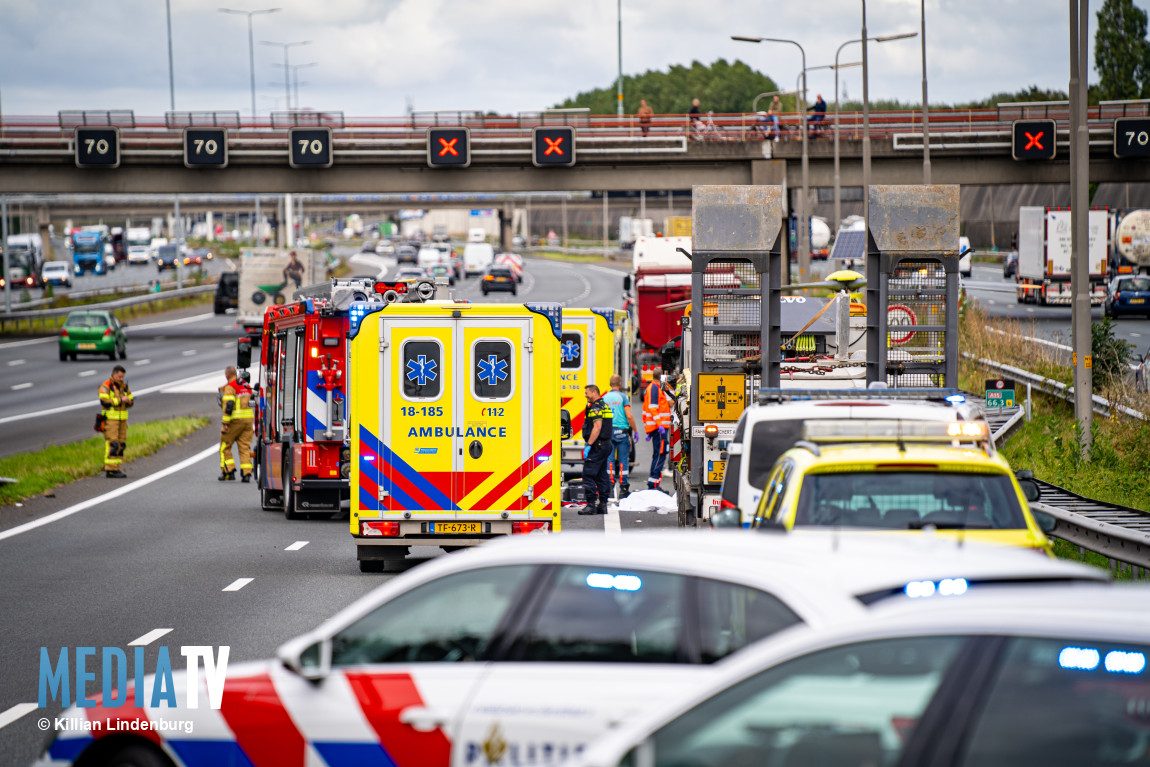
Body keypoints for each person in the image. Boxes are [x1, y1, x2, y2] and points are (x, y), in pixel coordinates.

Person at [577, 384, 614, 516]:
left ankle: (591, 505)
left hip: (597, 446)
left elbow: (597, 427)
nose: (586, 395)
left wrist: (589, 445)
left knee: (588, 475)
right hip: (606, 445)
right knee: (601, 475)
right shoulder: (604, 405)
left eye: (587, 393)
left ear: (594, 392)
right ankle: (603, 505)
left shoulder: (596, 407)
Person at [601, 375, 639, 500]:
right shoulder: (623, 397)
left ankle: (610, 488)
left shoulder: (604, 398)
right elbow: (629, 416)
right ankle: (623, 489)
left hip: (609, 432)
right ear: (620, 383)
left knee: (609, 460)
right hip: (622, 432)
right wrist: (636, 430)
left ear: (610, 384)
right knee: (623, 460)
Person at [218, 366, 256, 482]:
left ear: (227, 376)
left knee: (225, 445)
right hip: (248, 421)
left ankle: (228, 471)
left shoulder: (230, 387)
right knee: (244, 447)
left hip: (235, 421)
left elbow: (229, 405)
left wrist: (225, 422)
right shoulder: (246, 386)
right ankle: (246, 473)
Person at [98, 365, 134, 478]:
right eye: (119, 377)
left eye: (122, 377)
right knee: (113, 443)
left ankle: (117, 468)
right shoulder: (106, 386)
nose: (121, 379)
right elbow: (104, 402)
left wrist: (129, 401)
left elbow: (131, 400)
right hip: (111, 420)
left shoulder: (124, 386)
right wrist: (119, 400)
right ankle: (110, 469)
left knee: (121, 444)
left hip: (122, 420)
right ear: (114, 375)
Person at [642, 372, 672, 490]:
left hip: (657, 428)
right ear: (662, 377)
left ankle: (653, 483)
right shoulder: (654, 388)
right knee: (661, 454)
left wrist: (648, 429)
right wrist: (659, 425)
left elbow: (646, 410)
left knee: (658, 454)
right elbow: (652, 408)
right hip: (660, 429)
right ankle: (654, 484)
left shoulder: (653, 388)